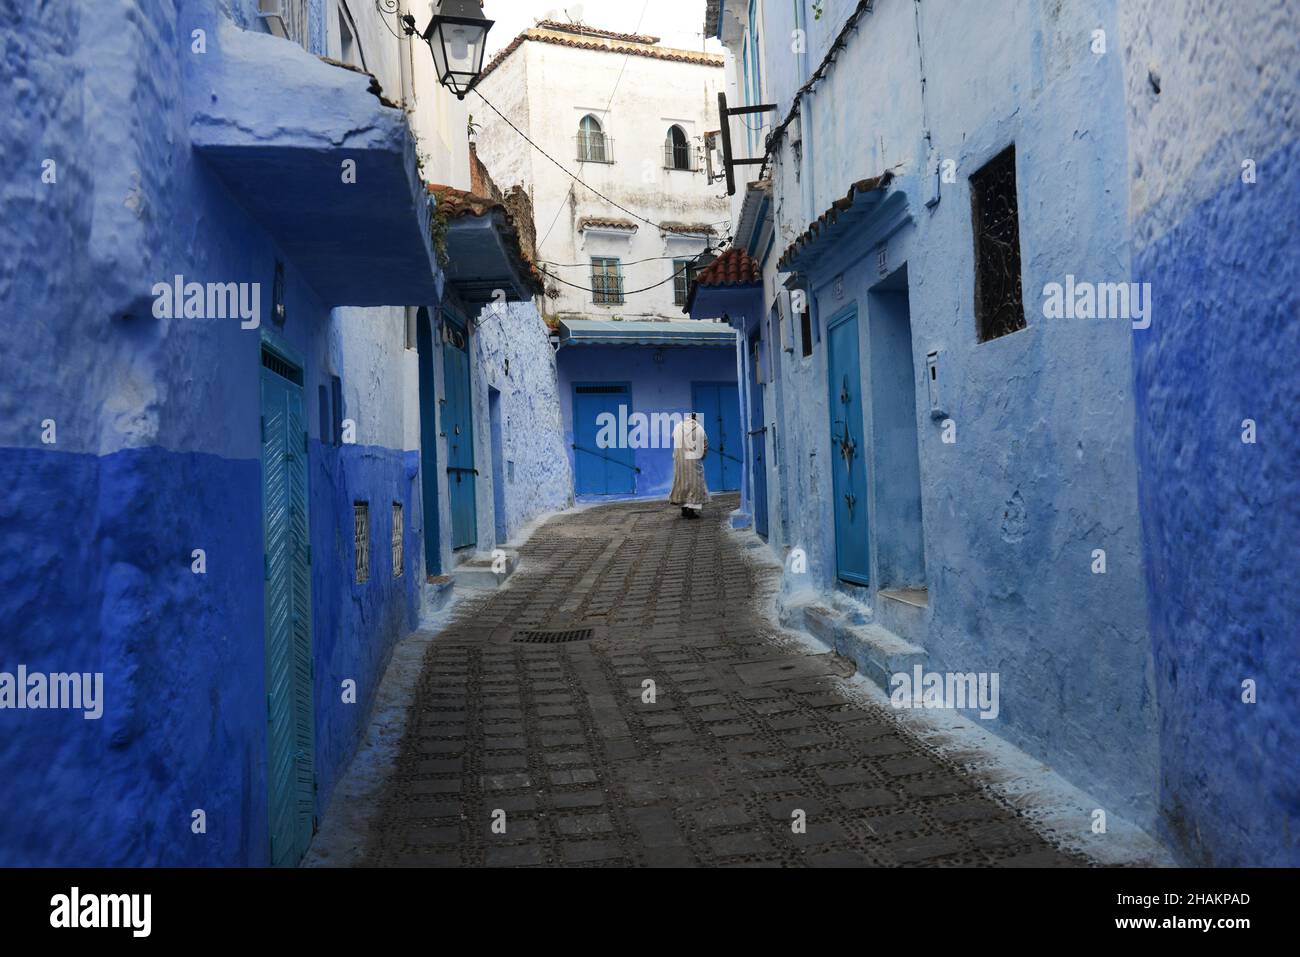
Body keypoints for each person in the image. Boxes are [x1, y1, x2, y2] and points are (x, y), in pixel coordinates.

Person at [669, 412, 709, 519]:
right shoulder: (699, 428)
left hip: (679, 461)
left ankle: (683, 508)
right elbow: (705, 444)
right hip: (693, 460)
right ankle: (691, 510)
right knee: (694, 485)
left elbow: (673, 437)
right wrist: (702, 456)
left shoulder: (678, 426)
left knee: (681, 484)